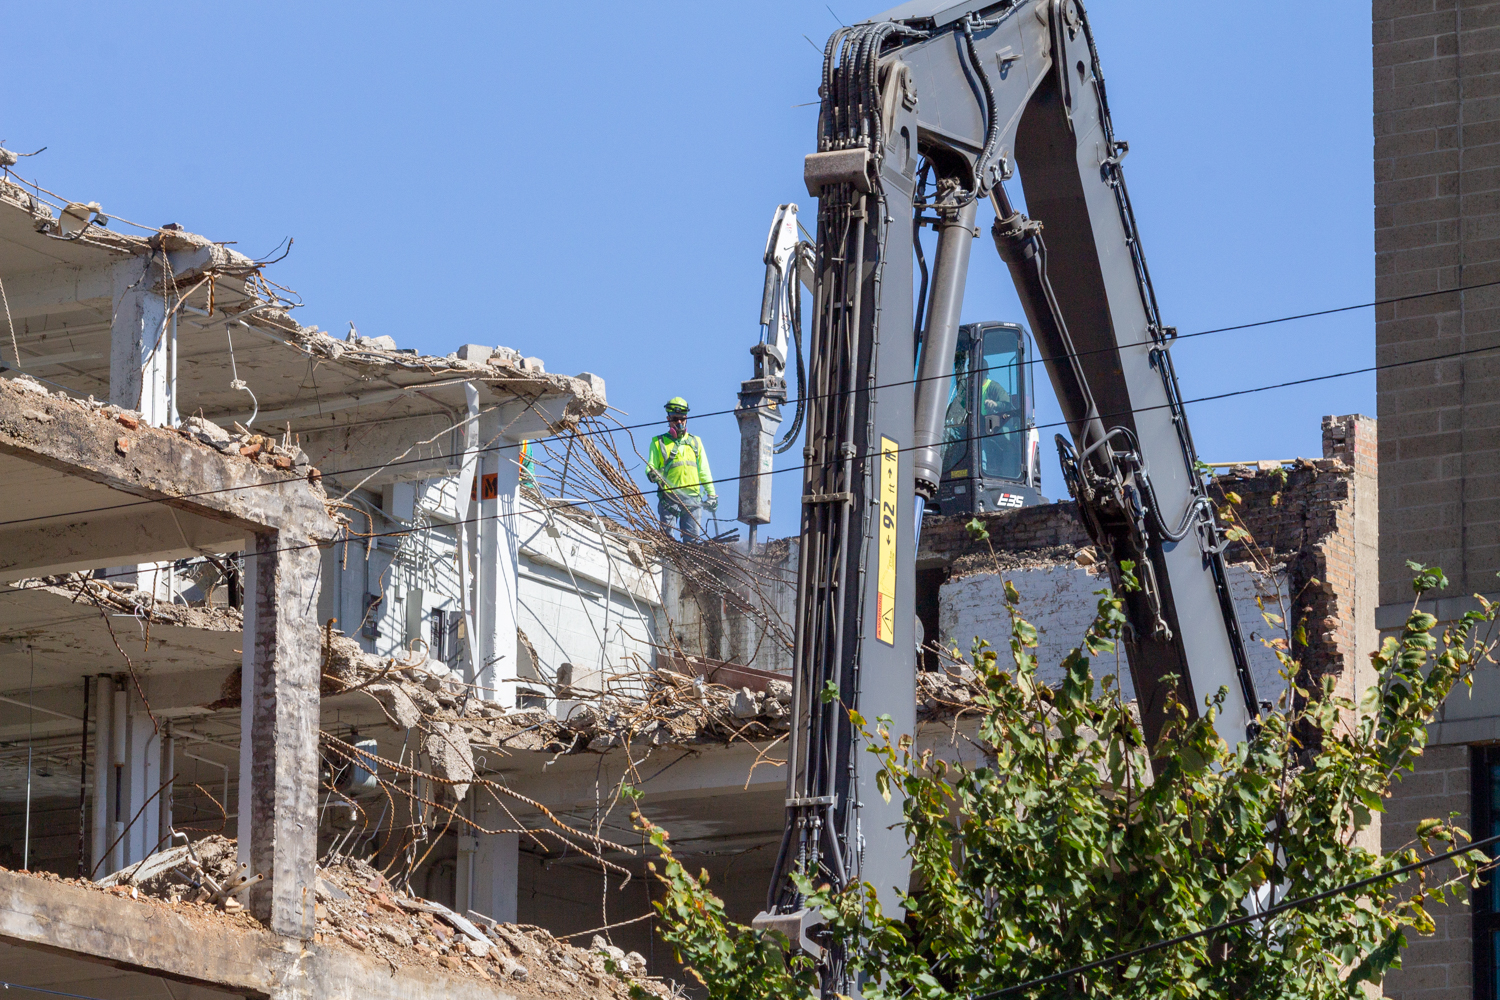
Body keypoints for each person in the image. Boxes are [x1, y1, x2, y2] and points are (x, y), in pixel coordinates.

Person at [646, 397, 716, 541]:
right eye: (675, 419)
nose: (679, 422)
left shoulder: (696, 442)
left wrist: (711, 494)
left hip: (693, 499)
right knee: (667, 541)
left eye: (682, 419)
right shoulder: (658, 442)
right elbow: (650, 466)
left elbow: (704, 471)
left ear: (686, 418)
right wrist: (652, 474)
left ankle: (687, 562)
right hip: (670, 498)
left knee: (692, 544)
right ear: (668, 419)